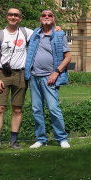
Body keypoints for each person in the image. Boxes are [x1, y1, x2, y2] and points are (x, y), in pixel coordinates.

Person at [0, 8, 34, 151]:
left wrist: (56, 26)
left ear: (20, 18)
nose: (13, 17)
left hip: (20, 74)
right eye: (10, 14)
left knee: (17, 109)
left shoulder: (27, 32)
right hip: (3, 75)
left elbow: (44, 32)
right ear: (6, 17)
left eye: (16, 15)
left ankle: (13, 140)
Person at [25, 9, 71, 149]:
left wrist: (56, 73)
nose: (46, 17)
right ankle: (41, 139)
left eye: (49, 15)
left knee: (53, 108)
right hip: (34, 77)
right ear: (40, 18)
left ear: (53, 18)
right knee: (36, 109)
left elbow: (68, 57)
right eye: (44, 15)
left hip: (49, 77)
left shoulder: (59, 34)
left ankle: (62, 138)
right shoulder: (34, 34)